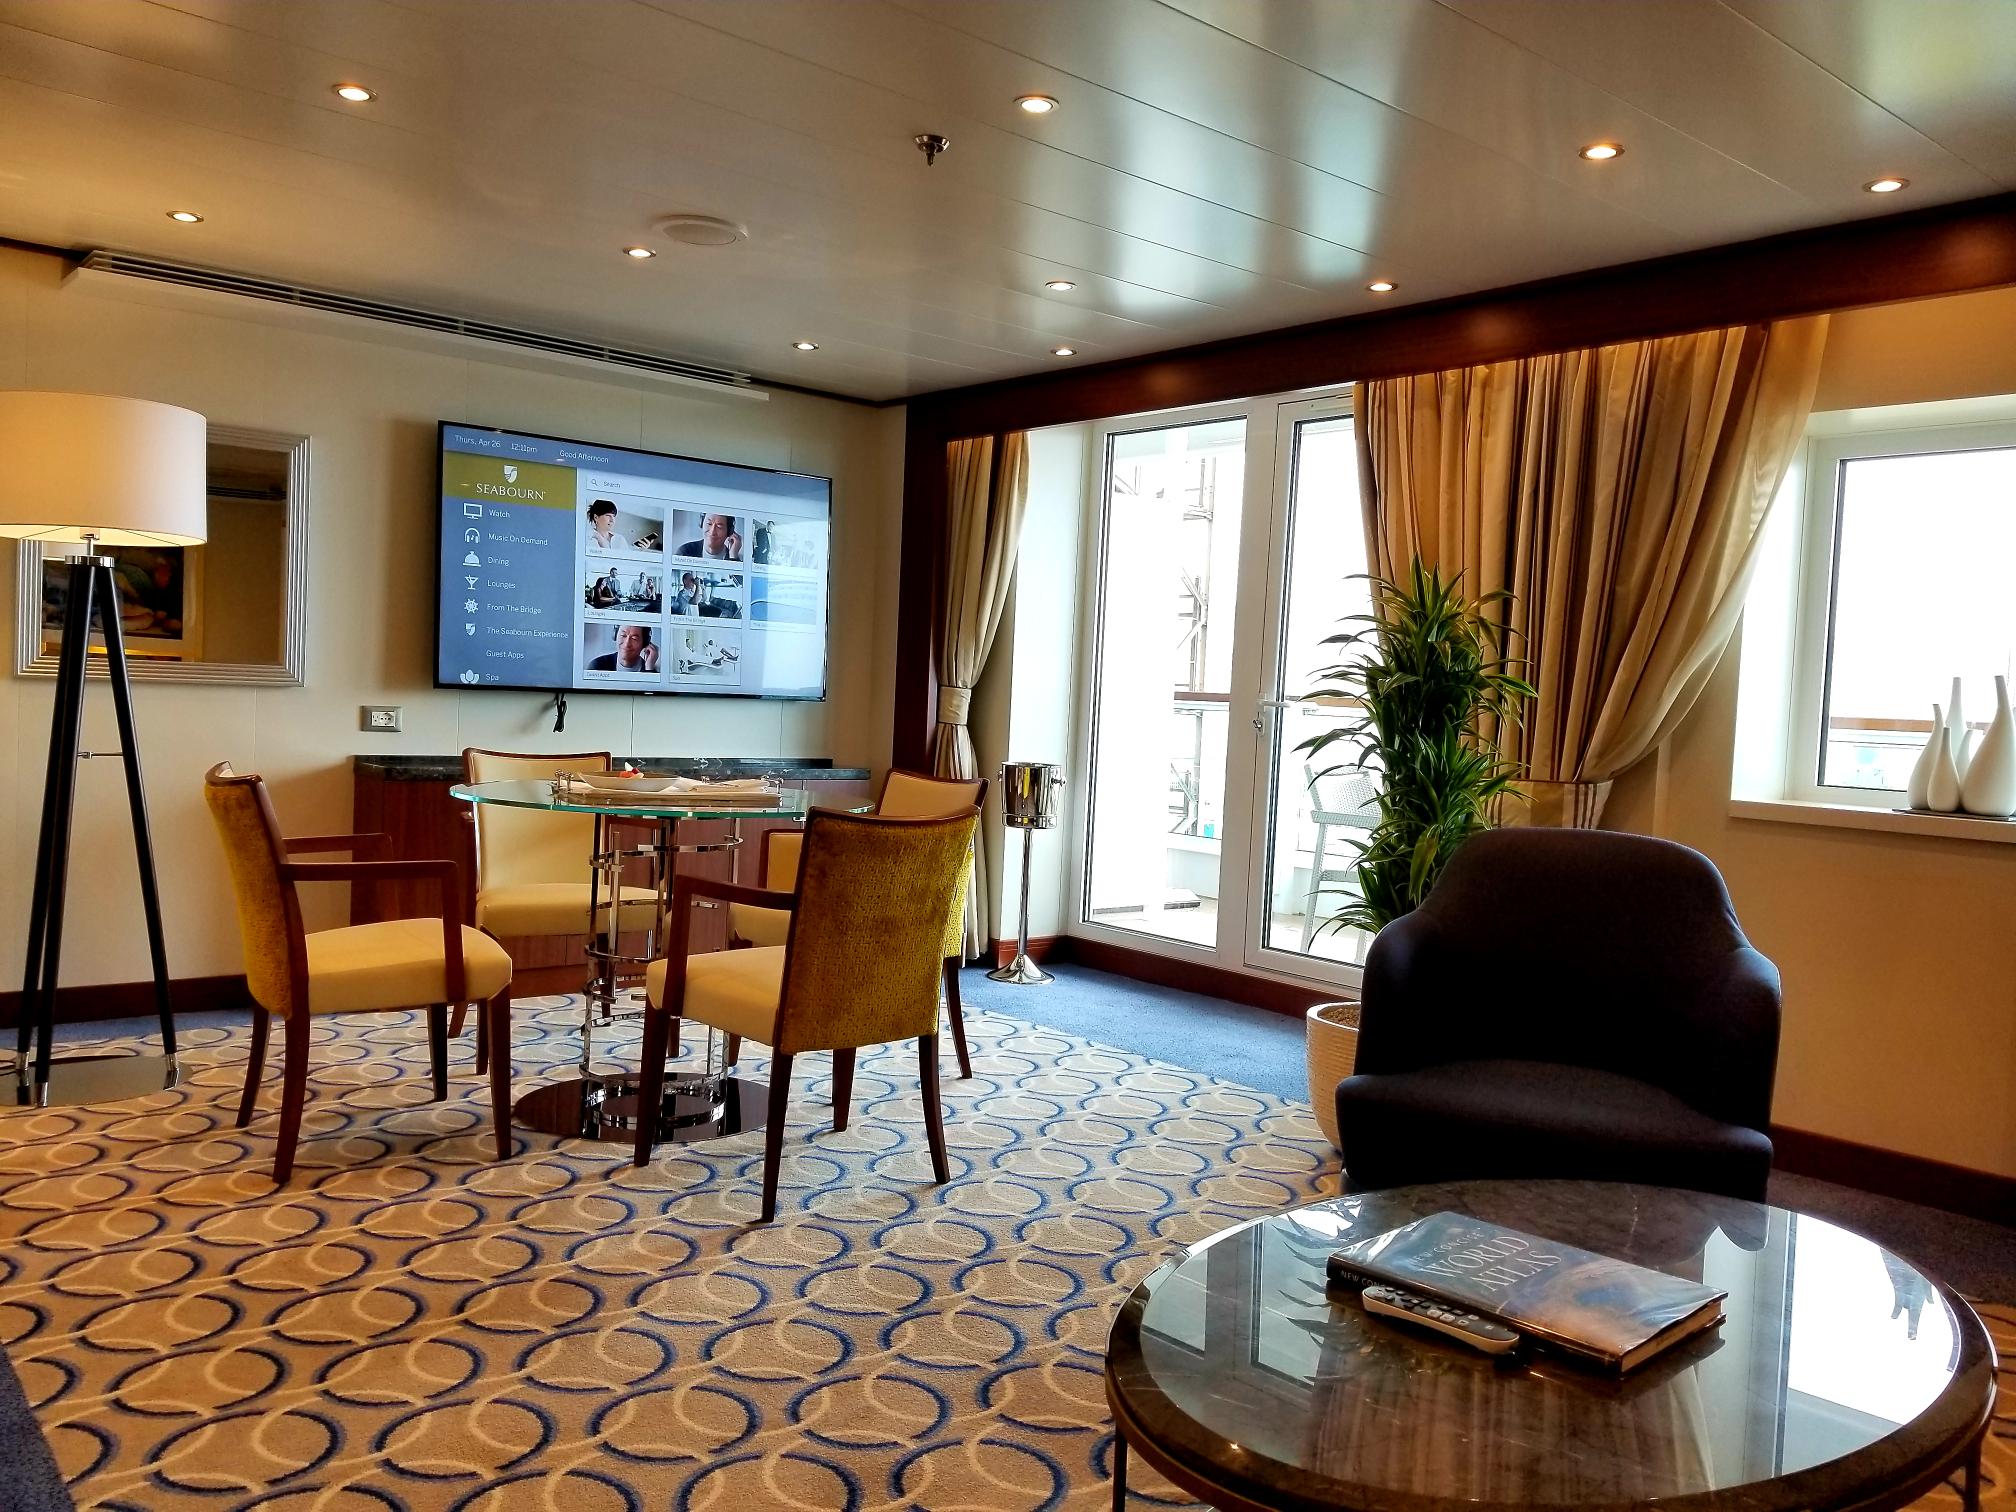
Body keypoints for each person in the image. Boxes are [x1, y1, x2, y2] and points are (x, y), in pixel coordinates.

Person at [588, 623, 657, 673]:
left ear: (644, 643)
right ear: (615, 635)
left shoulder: (650, 669)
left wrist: (649, 669)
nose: (627, 644)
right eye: (623, 635)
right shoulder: (597, 666)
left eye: (634, 638)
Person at [675, 513, 742, 560]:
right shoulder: (685, 552)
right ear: (701, 523)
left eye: (719, 526)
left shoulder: (735, 556)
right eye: (709, 524)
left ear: (729, 531)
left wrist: (733, 557)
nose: (712, 532)